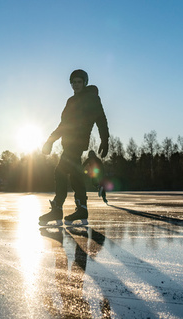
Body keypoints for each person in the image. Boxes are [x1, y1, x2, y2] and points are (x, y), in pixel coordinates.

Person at [39, 69, 109, 225]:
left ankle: (58, 209)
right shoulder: (71, 101)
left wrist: (105, 139)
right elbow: (64, 125)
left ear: (85, 83)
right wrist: (50, 140)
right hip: (68, 142)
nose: (76, 85)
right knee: (75, 175)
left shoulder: (92, 99)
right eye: (73, 82)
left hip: (77, 142)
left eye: (79, 82)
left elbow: (101, 120)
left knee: (60, 171)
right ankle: (81, 208)